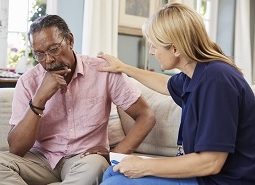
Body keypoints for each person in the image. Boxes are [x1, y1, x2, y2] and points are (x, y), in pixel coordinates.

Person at [98, 2, 255, 185]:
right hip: (203, 176)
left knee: (115, 183)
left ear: (175, 49)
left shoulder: (216, 81)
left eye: (154, 46)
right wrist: (123, 67)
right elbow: (166, 84)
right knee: (111, 172)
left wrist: (143, 166)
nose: (151, 52)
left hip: (222, 180)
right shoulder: (197, 73)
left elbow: (211, 163)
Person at [0, 14, 156, 185]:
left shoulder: (102, 71)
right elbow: (16, 149)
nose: (49, 60)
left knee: (95, 168)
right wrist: (39, 98)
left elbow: (146, 116)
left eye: (53, 49)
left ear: (70, 40)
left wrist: (116, 153)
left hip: (84, 159)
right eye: (40, 54)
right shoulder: (28, 81)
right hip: (41, 159)